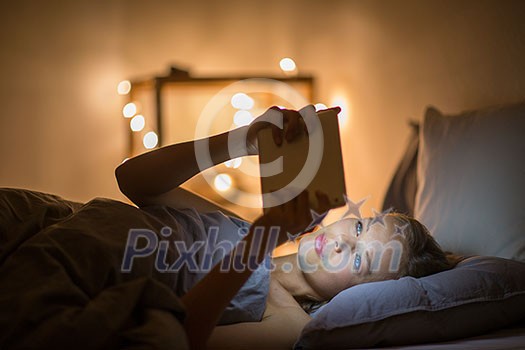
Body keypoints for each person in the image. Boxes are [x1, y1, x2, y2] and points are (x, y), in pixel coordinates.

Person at [115, 106, 453, 349]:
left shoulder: (288, 324)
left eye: (357, 262)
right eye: (361, 228)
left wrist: (264, 238)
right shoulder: (244, 227)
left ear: (357, 295)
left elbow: (179, 339)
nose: (344, 243)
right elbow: (132, 180)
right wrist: (243, 141)